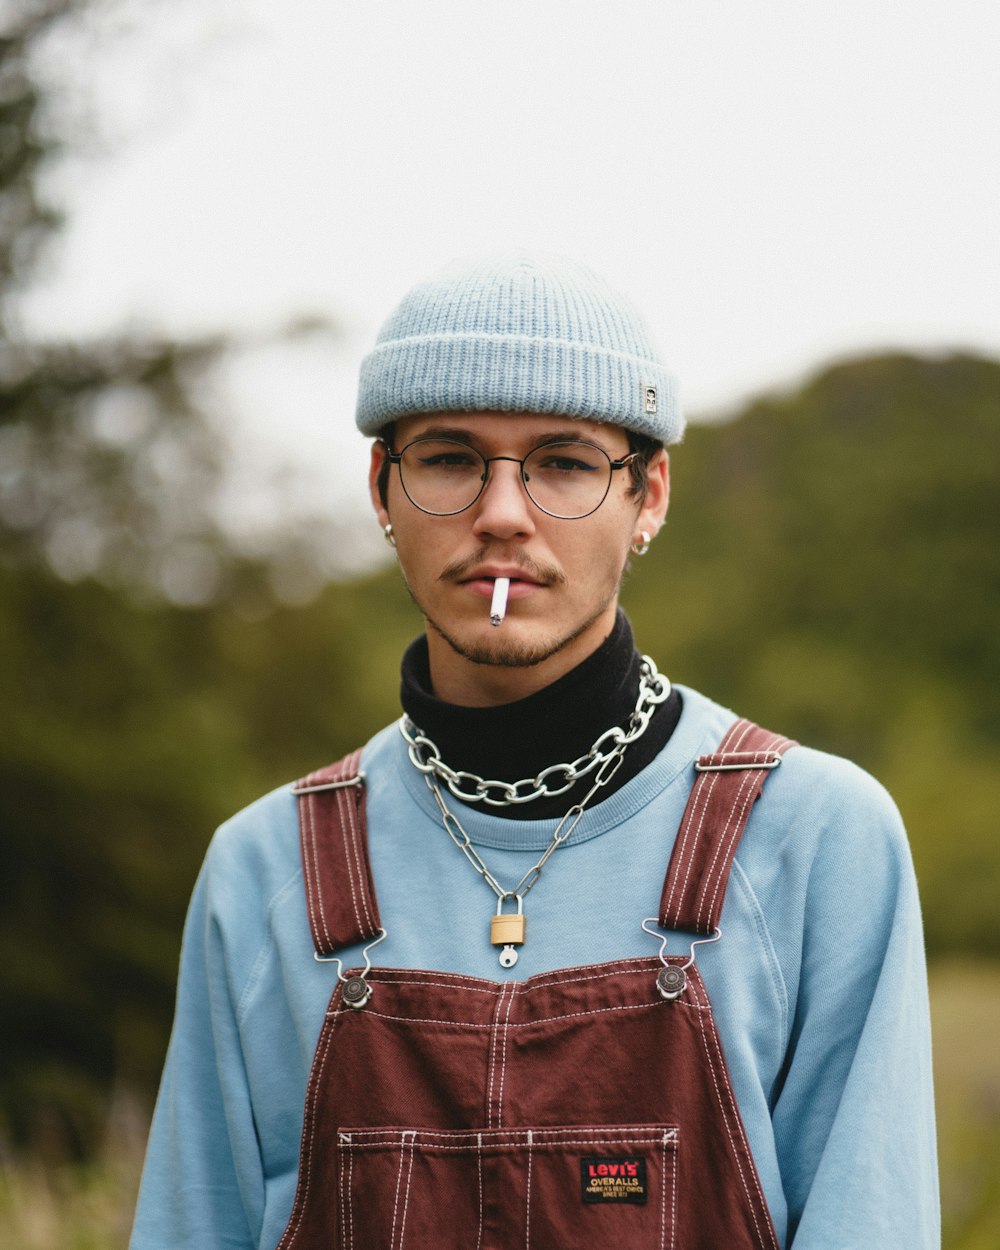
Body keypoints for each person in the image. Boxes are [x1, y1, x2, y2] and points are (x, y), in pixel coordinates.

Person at [130, 256, 939, 1249]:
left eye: (562, 461)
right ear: (382, 488)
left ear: (648, 496)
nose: (502, 511)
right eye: (449, 457)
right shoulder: (262, 871)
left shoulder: (818, 838)